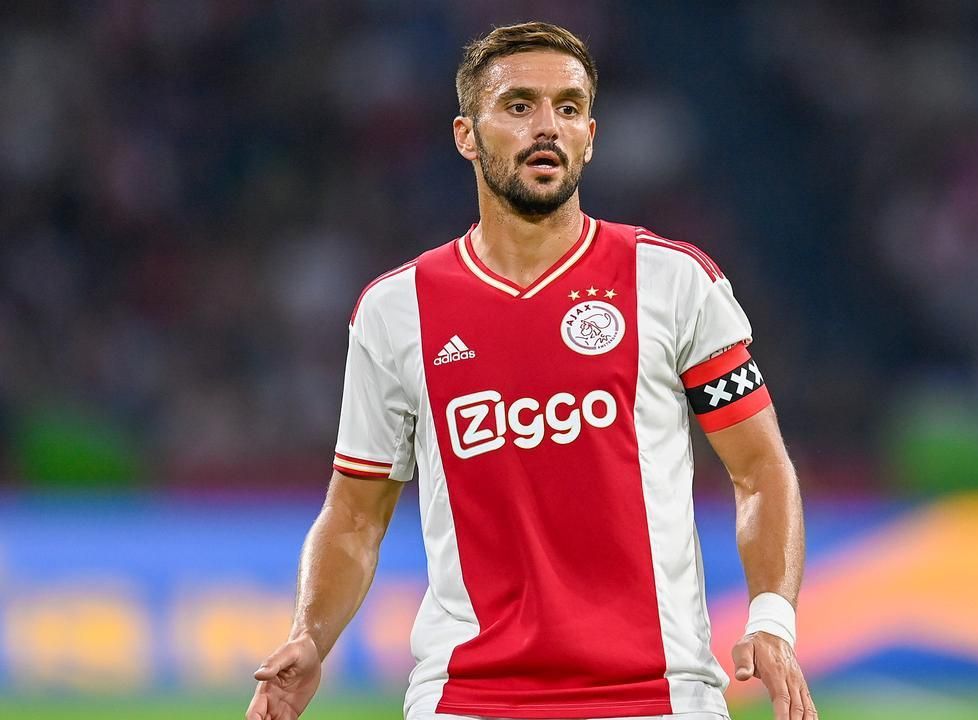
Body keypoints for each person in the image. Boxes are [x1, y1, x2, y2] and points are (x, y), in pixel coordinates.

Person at [246, 21, 815, 720]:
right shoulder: (397, 311)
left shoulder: (672, 282)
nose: (547, 126)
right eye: (519, 106)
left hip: (659, 695)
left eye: (568, 108)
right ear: (466, 135)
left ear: (590, 137)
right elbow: (355, 515)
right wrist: (311, 636)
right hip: (467, 697)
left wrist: (772, 619)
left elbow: (760, 468)